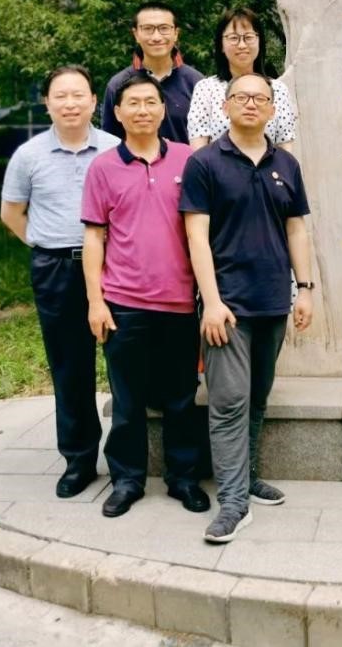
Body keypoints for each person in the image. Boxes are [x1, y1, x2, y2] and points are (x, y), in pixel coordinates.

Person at [180, 72, 314, 544]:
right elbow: (196, 235)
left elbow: (296, 228)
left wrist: (306, 289)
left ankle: (248, 476)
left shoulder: (287, 164)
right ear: (226, 106)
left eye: (260, 98)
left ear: (273, 109)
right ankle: (233, 502)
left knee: (257, 396)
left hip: (274, 300)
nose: (251, 104)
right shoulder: (204, 163)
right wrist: (211, 302)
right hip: (227, 305)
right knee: (229, 401)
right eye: (241, 97)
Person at [81, 72, 208, 518]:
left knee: (181, 398)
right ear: (117, 112)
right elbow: (94, 238)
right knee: (128, 401)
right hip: (124, 303)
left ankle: (184, 479)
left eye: (150, 102)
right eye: (132, 103)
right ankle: (127, 481)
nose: (142, 110)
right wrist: (95, 301)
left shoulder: (189, 160)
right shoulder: (103, 168)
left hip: (179, 302)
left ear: (163, 109)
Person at [0, 66, 120, 498]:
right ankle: (78, 459)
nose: (70, 104)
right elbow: (11, 214)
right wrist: (44, 244)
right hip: (56, 269)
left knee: (124, 363)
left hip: (114, 266)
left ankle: (127, 460)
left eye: (78, 95)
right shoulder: (28, 155)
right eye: (61, 96)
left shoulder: (115, 149)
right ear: (47, 103)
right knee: (70, 366)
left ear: (93, 101)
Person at [186, 8, 298, 151]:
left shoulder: (278, 89)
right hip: (217, 166)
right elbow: (198, 149)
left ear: (259, 42)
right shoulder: (206, 89)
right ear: (221, 44)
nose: (242, 45)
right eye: (234, 38)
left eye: (248, 37)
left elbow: (285, 145)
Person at [100, 2, 203, 144]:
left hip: (187, 159)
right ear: (136, 34)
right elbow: (109, 140)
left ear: (176, 33)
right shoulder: (118, 84)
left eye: (164, 28)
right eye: (148, 29)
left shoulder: (196, 83)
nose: (156, 37)